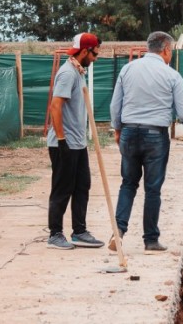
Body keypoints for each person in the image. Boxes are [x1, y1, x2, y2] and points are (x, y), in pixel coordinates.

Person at [109, 31, 183, 252]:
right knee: (152, 189)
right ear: (166, 49)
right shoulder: (172, 75)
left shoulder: (128, 69)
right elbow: (182, 110)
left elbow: (115, 104)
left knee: (128, 183)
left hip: (129, 131)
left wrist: (118, 129)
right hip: (156, 136)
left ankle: (118, 230)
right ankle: (150, 239)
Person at [45, 32, 105, 249]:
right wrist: (62, 140)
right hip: (64, 143)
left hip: (78, 143)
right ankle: (55, 234)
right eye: (94, 54)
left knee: (82, 186)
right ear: (85, 51)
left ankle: (79, 231)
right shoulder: (67, 73)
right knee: (62, 189)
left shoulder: (78, 72)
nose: (96, 58)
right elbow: (55, 106)